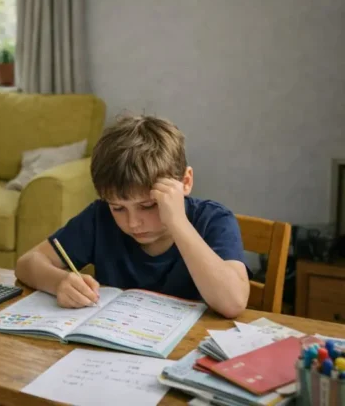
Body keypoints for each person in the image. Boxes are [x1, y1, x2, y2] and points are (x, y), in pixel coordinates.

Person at [14, 114, 251, 318]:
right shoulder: (100, 218)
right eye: (118, 208)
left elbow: (233, 303)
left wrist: (177, 222)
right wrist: (58, 283)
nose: (133, 222)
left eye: (148, 205)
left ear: (185, 182)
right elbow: (27, 264)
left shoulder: (214, 220)